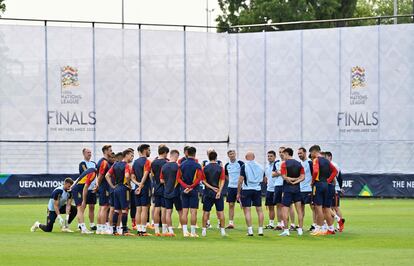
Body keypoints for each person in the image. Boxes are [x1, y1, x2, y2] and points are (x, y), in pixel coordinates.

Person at [309, 145, 338, 236]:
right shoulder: (327, 160)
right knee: (326, 208)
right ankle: (331, 229)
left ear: (314, 152)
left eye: (311, 153)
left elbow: (315, 172)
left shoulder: (316, 160)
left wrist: (313, 181)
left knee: (318, 207)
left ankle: (319, 229)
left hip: (318, 184)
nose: (311, 155)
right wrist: (328, 180)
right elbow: (335, 171)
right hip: (326, 185)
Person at [105, 149, 135, 236]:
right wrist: (128, 185)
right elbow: (126, 175)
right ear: (126, 155)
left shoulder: (115, 164)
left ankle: (114, 230)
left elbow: (107, 175)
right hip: (123, 189)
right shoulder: (126, 165)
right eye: (131, 155)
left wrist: (112, 186)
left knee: (116, 210)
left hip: (116, 188)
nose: (132, 157)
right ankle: (125, 230)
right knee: (125, 210)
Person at [177, 146, 204, 237]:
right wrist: (191, 187)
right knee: (193, 212)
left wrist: (185, 187)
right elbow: (199, 178)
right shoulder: (197, 165)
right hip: (194, 190)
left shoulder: (182, 164)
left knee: (184, 212)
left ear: (187, 153)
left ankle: (185, 232)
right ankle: (192, 232)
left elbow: (178, 178)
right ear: (195, 154)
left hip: (184, 190)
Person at [237, 151, 264, 236]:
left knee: (247, 210)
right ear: (254, 157)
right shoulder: (260, 166)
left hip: (247, 189)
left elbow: (240, 180)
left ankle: (250, 230)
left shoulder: (244, 166)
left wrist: (238, 193)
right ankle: (260, 230)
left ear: (246, 157)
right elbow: (264, 179)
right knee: (259, 210)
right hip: (257, 189)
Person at [279, 148, 305, 236]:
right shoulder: (299, 164)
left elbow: (284, 177)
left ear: (287, 154)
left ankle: (286, 230)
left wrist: (291, 181)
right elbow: (302, 177)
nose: (283, 156)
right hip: (297, 189)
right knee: (299, 210)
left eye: (283, 154)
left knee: (285, 209)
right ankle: (300, 229)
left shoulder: (284, 164)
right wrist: (296, 181)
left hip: (287, 189)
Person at [201, 151, 226, 237]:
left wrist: (211, 187)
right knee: (221, 212)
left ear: (209, 158)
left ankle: (204, 231)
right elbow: (222, 180)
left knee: (206, 212)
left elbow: (203, 181)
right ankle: (223, 231)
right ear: (216, 158)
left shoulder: (204, 168)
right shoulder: (220, 168)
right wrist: (219, 191)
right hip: (218, 193)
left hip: (208, 193)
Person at [131, 144, 152, 236]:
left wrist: (137, 184)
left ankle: (139, 229)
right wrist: (141, 185)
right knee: (144, 209)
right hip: (144, 188)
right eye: (149, 150)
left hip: (136, 188)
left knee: (138, 209)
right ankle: (143, 231)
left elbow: (132, 177)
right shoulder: (147, 161)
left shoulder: (135, 162)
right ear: (145, 150)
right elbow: (146, 174)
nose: (150, 152)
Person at [160, 149, 183, 236]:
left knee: (168, 212)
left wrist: (168, 183)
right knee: (180, 211)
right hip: (176, 192)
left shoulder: (164, 166)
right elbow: (181, 179)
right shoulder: (178, 166)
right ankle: (183, 229)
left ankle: (170, 231)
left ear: (170, 155)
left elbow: (161, 180)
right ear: (176, 156)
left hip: (167, 192)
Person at [71, 167, 97, 234]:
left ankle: (81, 226)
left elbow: (79, 178)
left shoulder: (90, 170)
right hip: (78, 190)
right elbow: (85, 187)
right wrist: (84, 201)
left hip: (77, 188)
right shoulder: (93, 173)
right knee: (80, 208)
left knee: (80, 209)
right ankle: (83, 229)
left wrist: (73, 186)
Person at [324, 151, 345, 232]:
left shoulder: (333, 165)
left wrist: (340, 187)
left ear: (330, 157)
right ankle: (331, 225)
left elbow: (339, 177)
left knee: (335, 207)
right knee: (330, 207)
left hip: (334, 189)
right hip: (330, 188)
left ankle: (339, 223)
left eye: (326, 157)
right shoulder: (328, 165)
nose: (325, 158)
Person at [151, 144, 170, 236]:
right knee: (164, 209)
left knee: (156, 209)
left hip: (156, 187)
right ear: (165, 153)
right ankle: (164, 230)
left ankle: (156, 230)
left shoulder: (153, 162)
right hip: (164, 188)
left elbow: (152, 175)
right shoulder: (166, 163)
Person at [95, 145, 113, 234]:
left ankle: (99, 228)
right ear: (105, 151)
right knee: (104, 208)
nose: (111, 152)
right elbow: (101, 175)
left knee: (101, 208)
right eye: (110, 150)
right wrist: (97, 184)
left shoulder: (103, 161)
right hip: (104, 187)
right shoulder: (104, 162)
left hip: (103, 187)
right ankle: (103, 228)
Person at [224, 150, 244, 229]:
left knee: (245, 206)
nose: (232, 155)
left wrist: (240, 182)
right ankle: (231, 223)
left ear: (235, 154)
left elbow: (244, 173)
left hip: (240, 187)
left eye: (233, 153)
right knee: (231, 205)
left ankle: (249, 224)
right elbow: (225, 175)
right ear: (228, 155)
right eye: (230, 154)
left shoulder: (240, 163)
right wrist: (231, 181)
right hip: (231, 187)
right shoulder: (227, 165)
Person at [79, 148, 97, 231]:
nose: (89, 154)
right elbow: (87, 173)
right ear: (84, 154)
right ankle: (80, 224)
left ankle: (92, 224)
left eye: (90, 152)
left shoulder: (93, 163)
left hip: (92, 188)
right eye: (88, 152)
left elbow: (96, 174)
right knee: (83, 206)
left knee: (92, 206)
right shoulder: (82, 163)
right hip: (85, 188)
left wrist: (96, 184)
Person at [297, 147, 316, 231]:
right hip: (300, 189)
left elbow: (314, 175)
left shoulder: (310, 162)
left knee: (313, 207)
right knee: (300, 208)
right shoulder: (299, 163)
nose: (299, 155)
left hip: (309, 189)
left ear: (305, 153)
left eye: (300, 153)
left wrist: (313, 185)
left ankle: (314, 225)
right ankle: (300, 225)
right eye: (298, 154)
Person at [272, 147, 285, 230]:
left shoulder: (289, 162)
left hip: (286, 185)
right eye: (279, 152)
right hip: (278, 185)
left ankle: (292, 224)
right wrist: (281, 173)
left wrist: (279, 172)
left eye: (282, 152)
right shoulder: (276, 162)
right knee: (278, 205)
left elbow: (288, 174)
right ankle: (279, 223)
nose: (281, 153)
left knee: (288, 205)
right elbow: (273, 174)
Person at [264, 150, 277, 229]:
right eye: (268, 156)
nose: (269, 157)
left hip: (277, 189)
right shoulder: (267, 166)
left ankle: (281, 223)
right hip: (269, 189)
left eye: (271, 156)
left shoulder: (277, 164)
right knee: (270, 207)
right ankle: (271, 224)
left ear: (275, 157)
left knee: (280, 207)